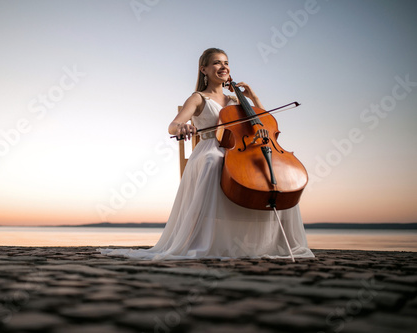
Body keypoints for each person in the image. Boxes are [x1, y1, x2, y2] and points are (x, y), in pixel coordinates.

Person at [100, 48, 314, 260]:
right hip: (210, 149)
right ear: (204, 69)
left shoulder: (237, 101)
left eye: (226, 62)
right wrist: (182, 128)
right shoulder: (198, 98)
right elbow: (173, 125)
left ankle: (280, 242)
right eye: (217, 63)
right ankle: (205, 241)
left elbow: (264, 122)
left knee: (274, 171)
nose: (224, 67)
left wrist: (253, 98)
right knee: (215, 160)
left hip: (242, 149)